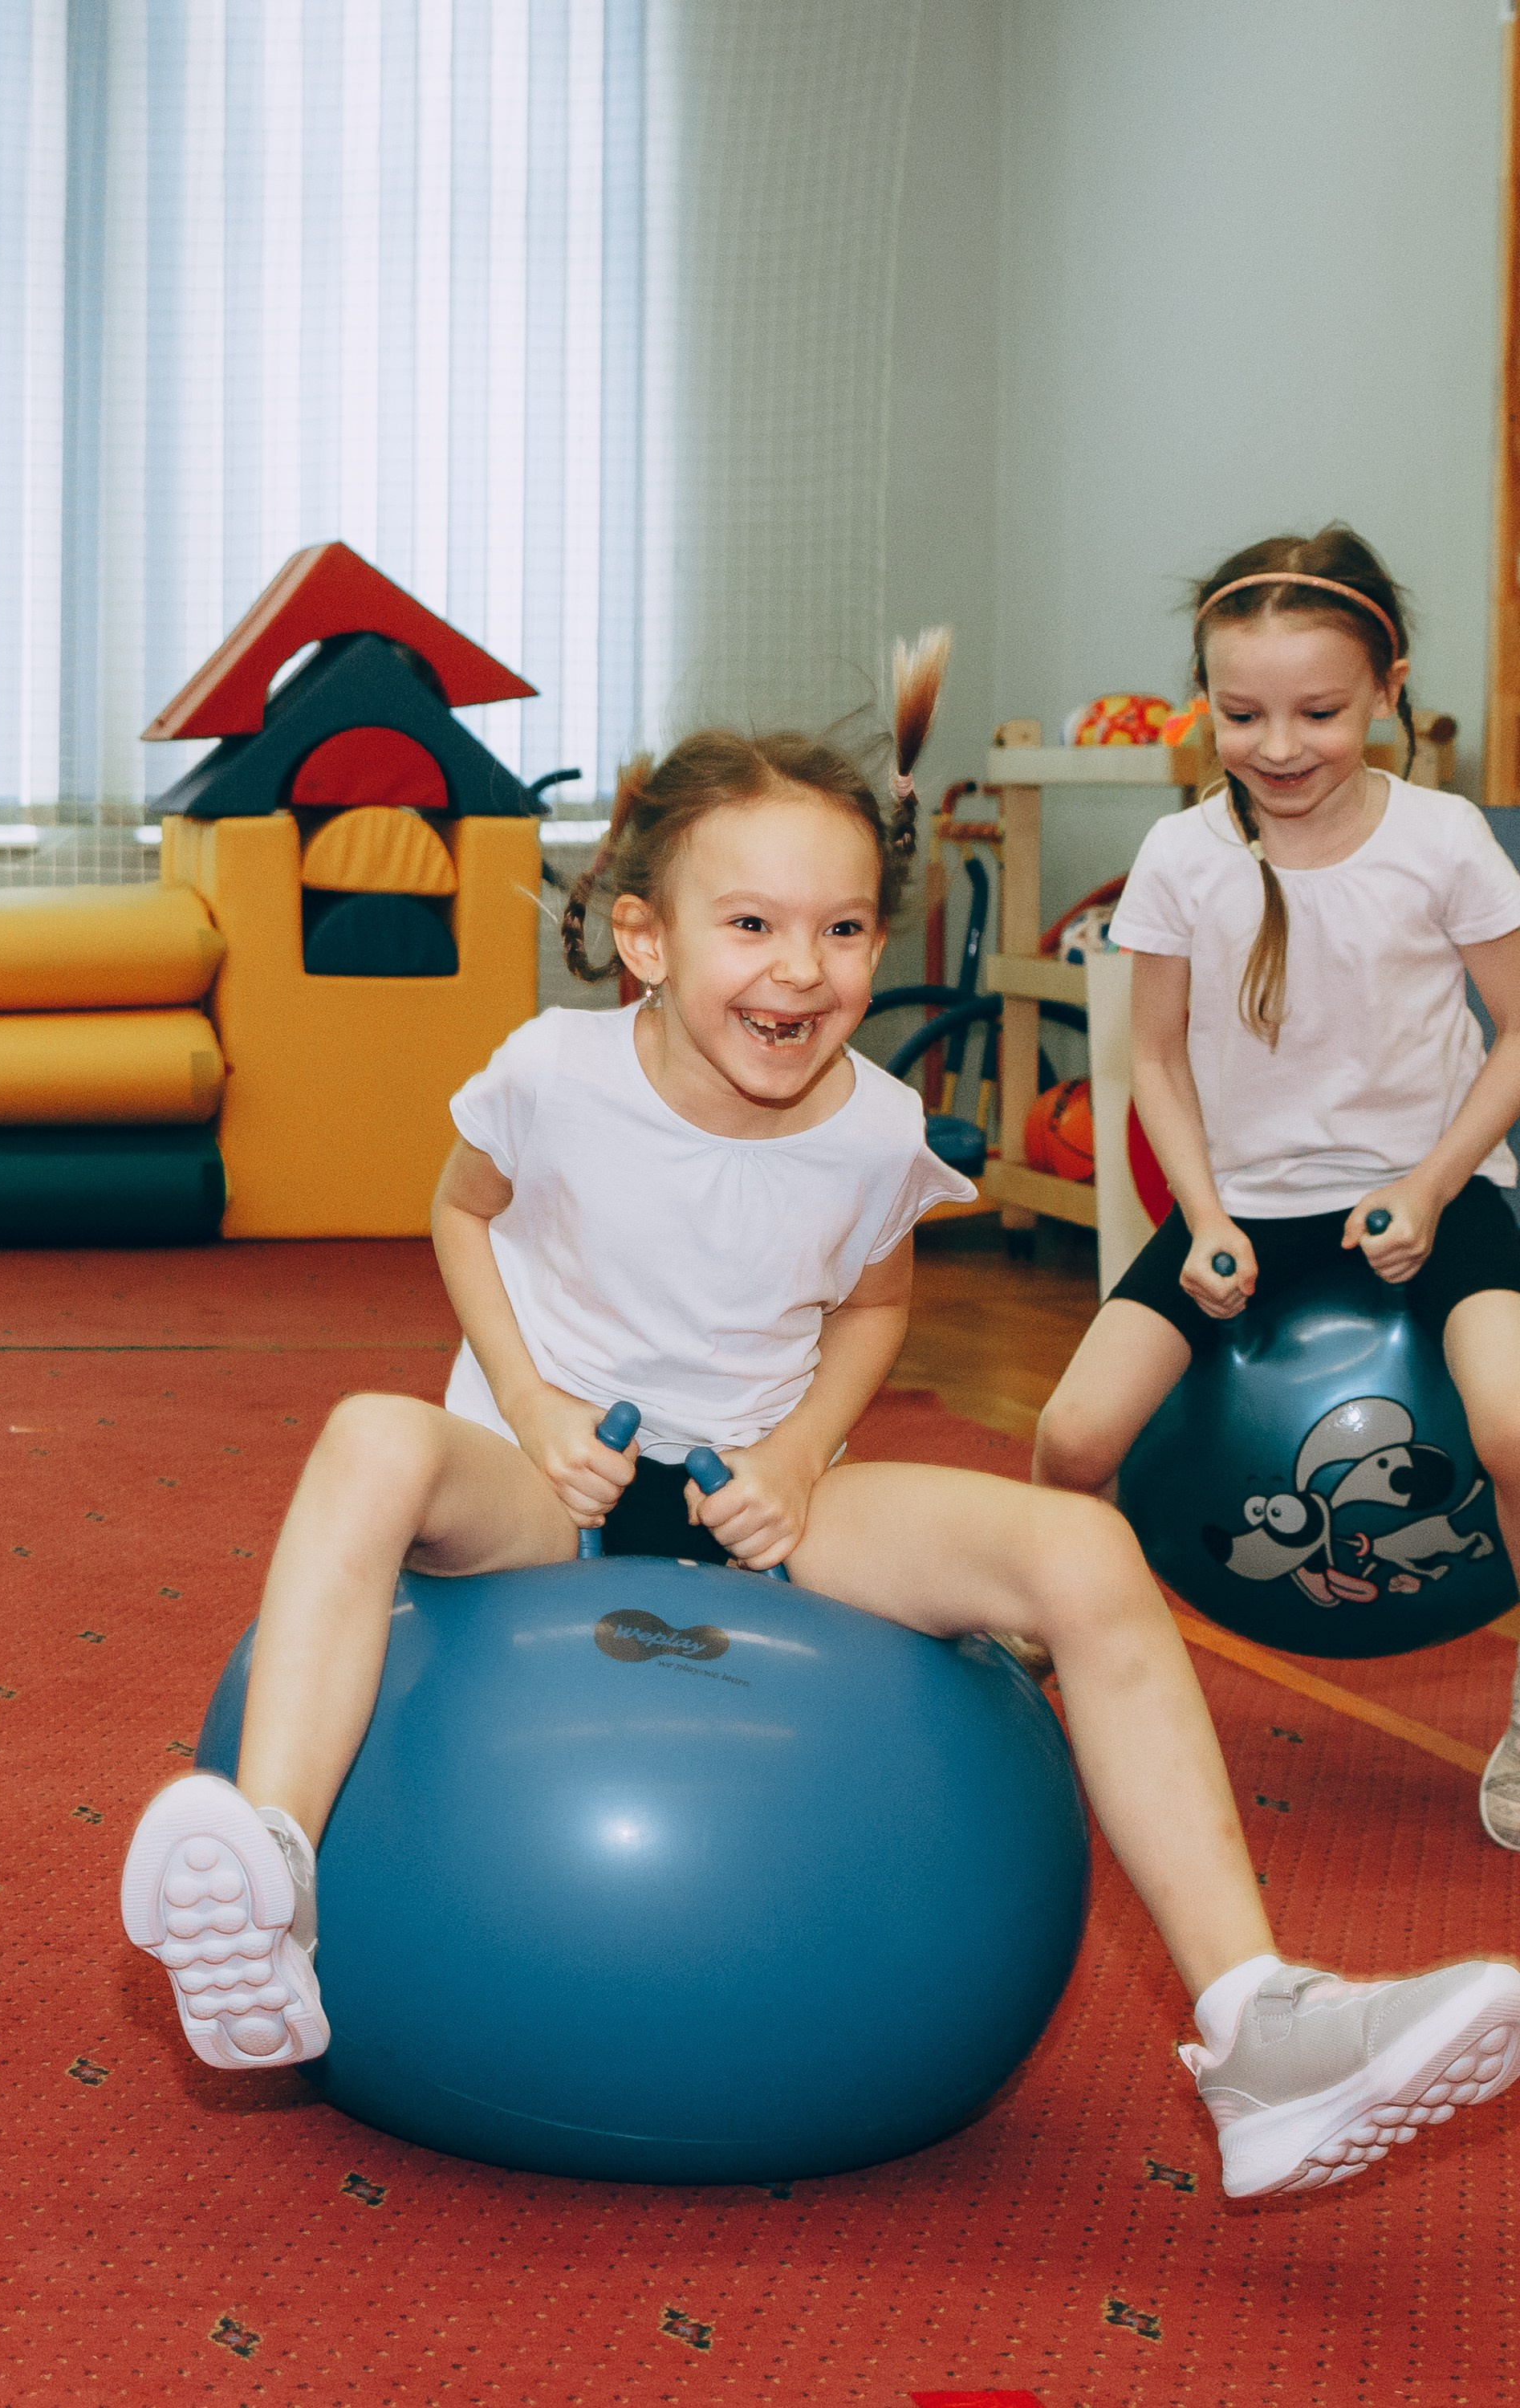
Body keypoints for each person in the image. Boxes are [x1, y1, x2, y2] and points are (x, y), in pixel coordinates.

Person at [122, 627, 1520, 2202]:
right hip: (543, 1488)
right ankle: (276, 1882)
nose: (803, 969)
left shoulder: (875, 1124)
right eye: (751, 924)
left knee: (1081, 1554)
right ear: (645, 941)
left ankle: (1256, 2025)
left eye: (844, 927)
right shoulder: (550, 1073)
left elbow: (871, 1299)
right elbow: (464, 1216)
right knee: (372, 1435)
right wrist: (528, 1398)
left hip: (763, 1503)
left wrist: (796, 1455)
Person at [1033, 526, 1520, 1856]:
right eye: (1242, 713)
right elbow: (1153, 1058)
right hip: (1240, 1210)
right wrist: (1200, 1220)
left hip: (1430, 1201)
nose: (1281, 745)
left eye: (1320, 710)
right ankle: (1034, 1659)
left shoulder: (1445, 840)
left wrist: (1428, 1186)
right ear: (1207, 705)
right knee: (1074, 1441)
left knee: (1518, 1423)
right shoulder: (1184, 856)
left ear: (1386, 693)